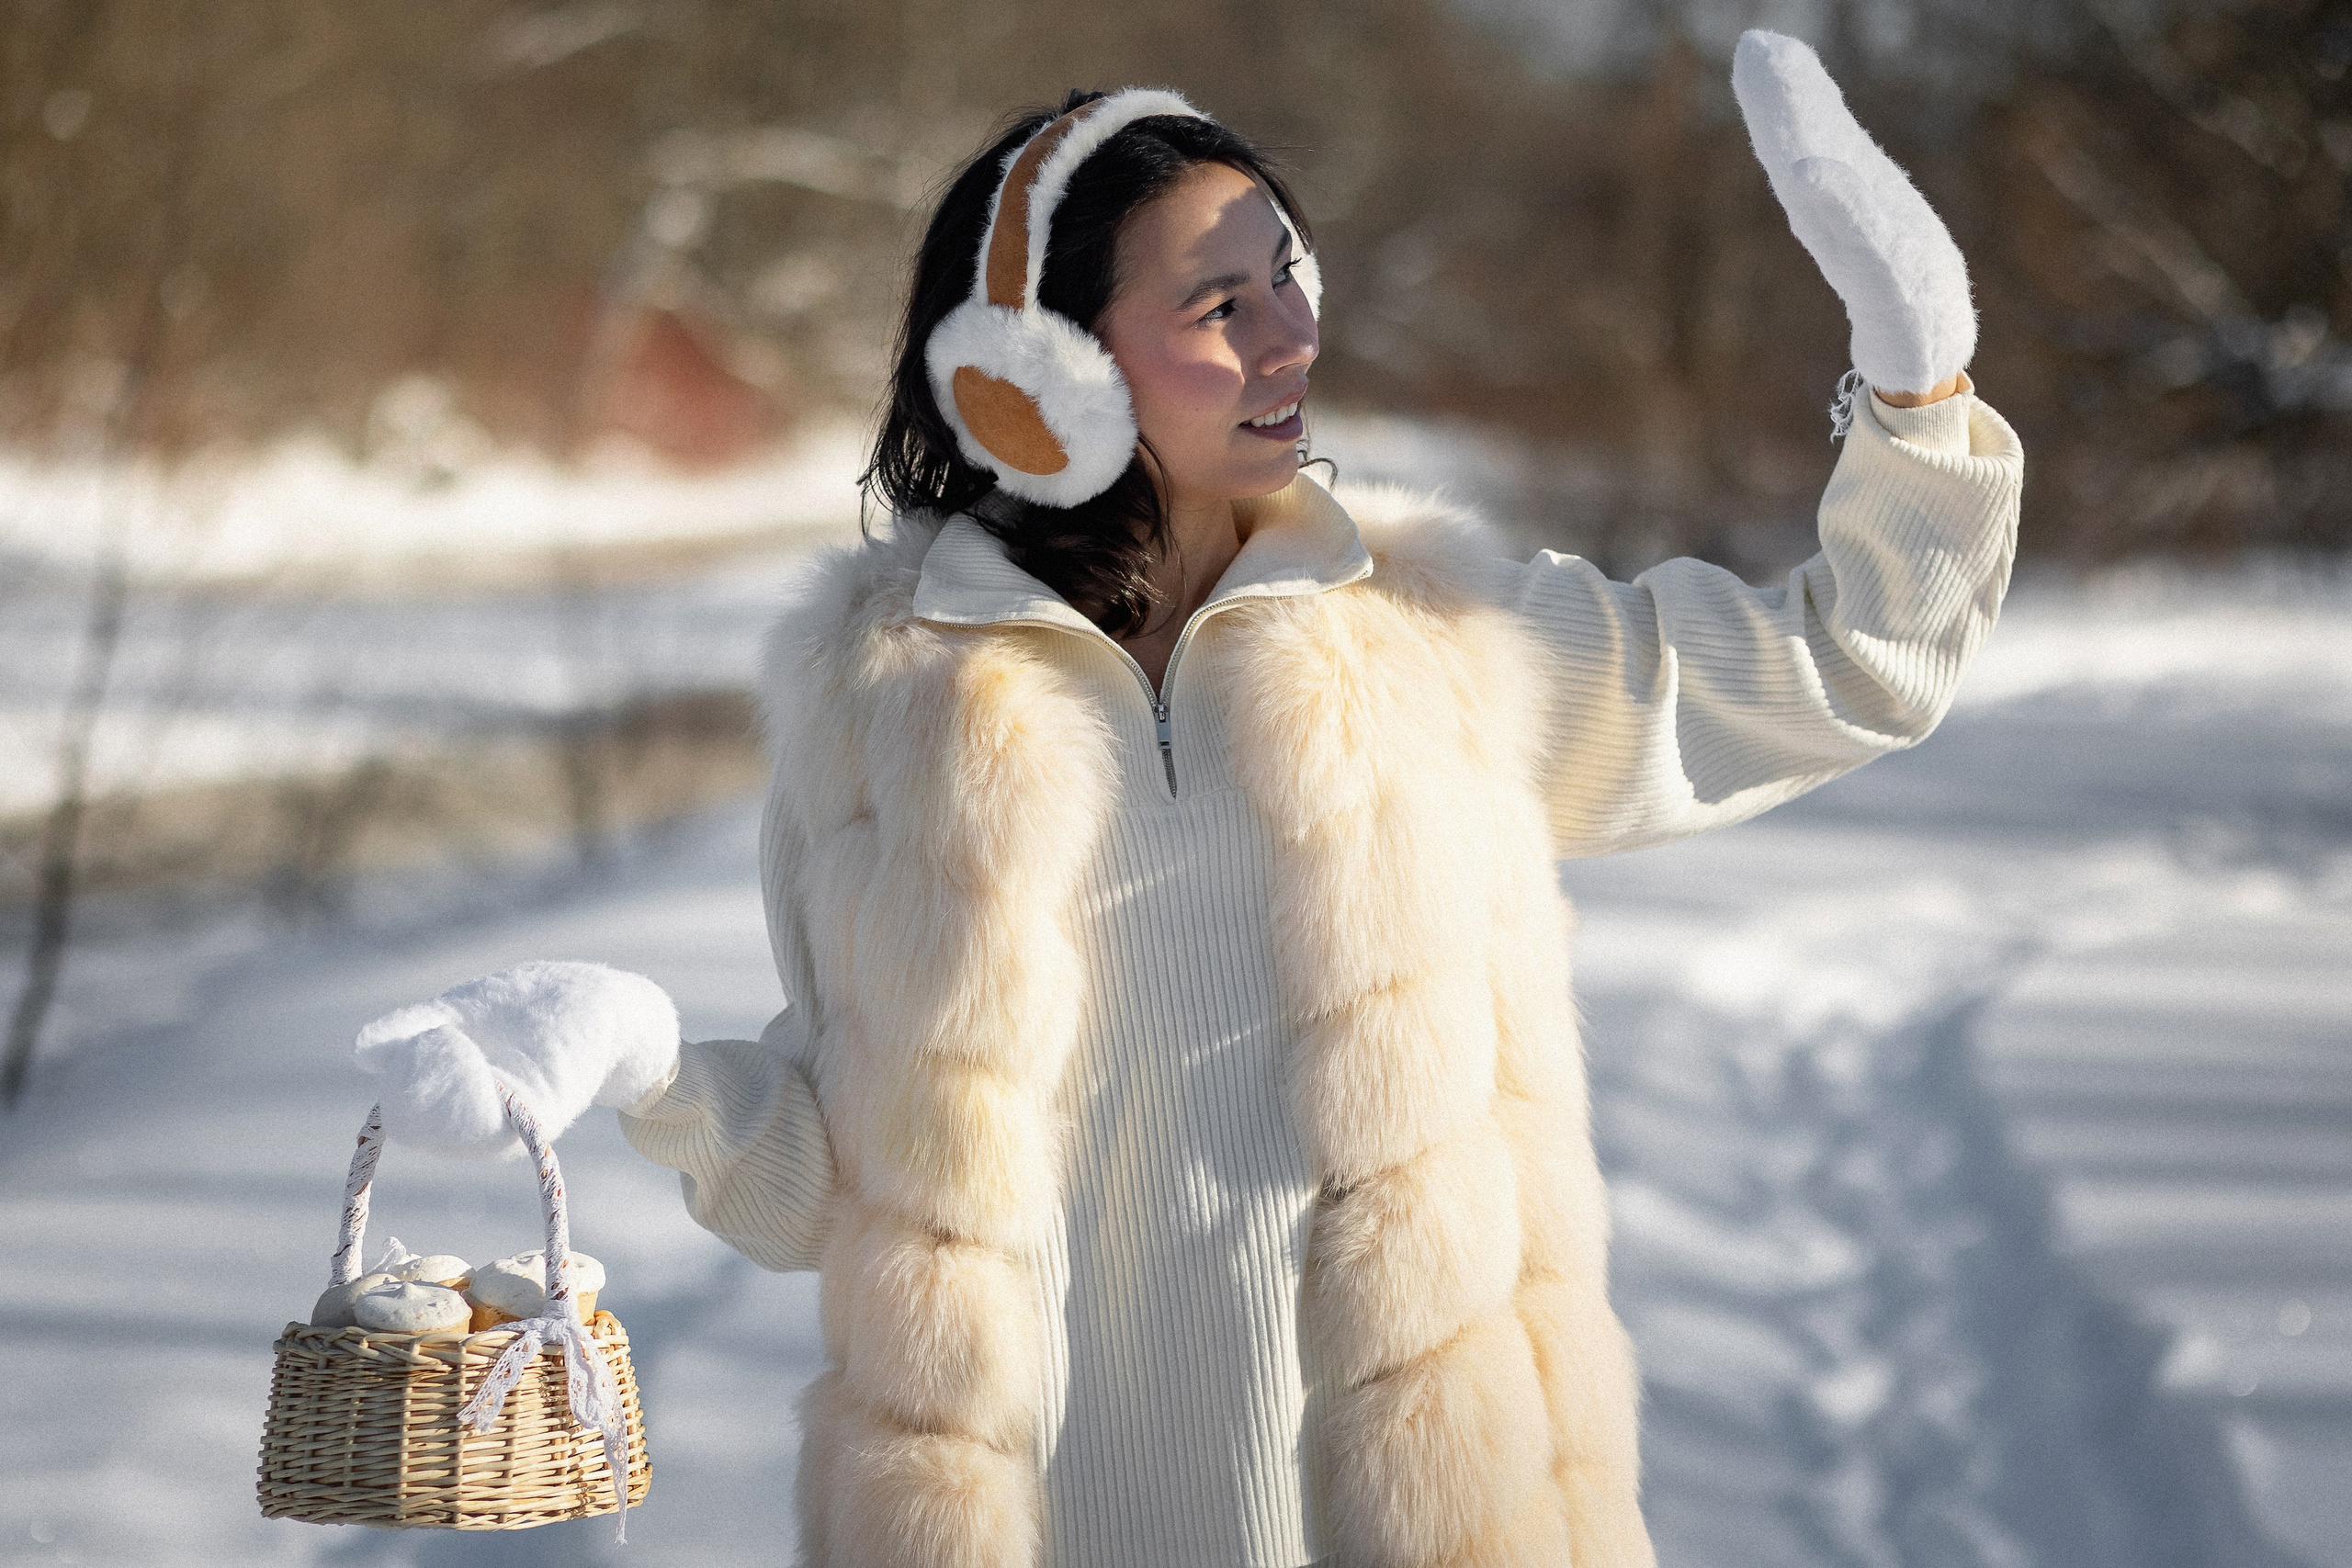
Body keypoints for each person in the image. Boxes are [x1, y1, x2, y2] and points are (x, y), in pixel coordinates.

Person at [355, 33, 2022, 1568]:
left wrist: (1918, 390)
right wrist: (652, 1068)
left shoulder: (1443, 637)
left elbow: (1854, 661)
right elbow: (852, 1188)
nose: (1294, 335)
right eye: (1222, 303)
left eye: (1290, 276)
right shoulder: (883, 710)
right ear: (1041, 379)